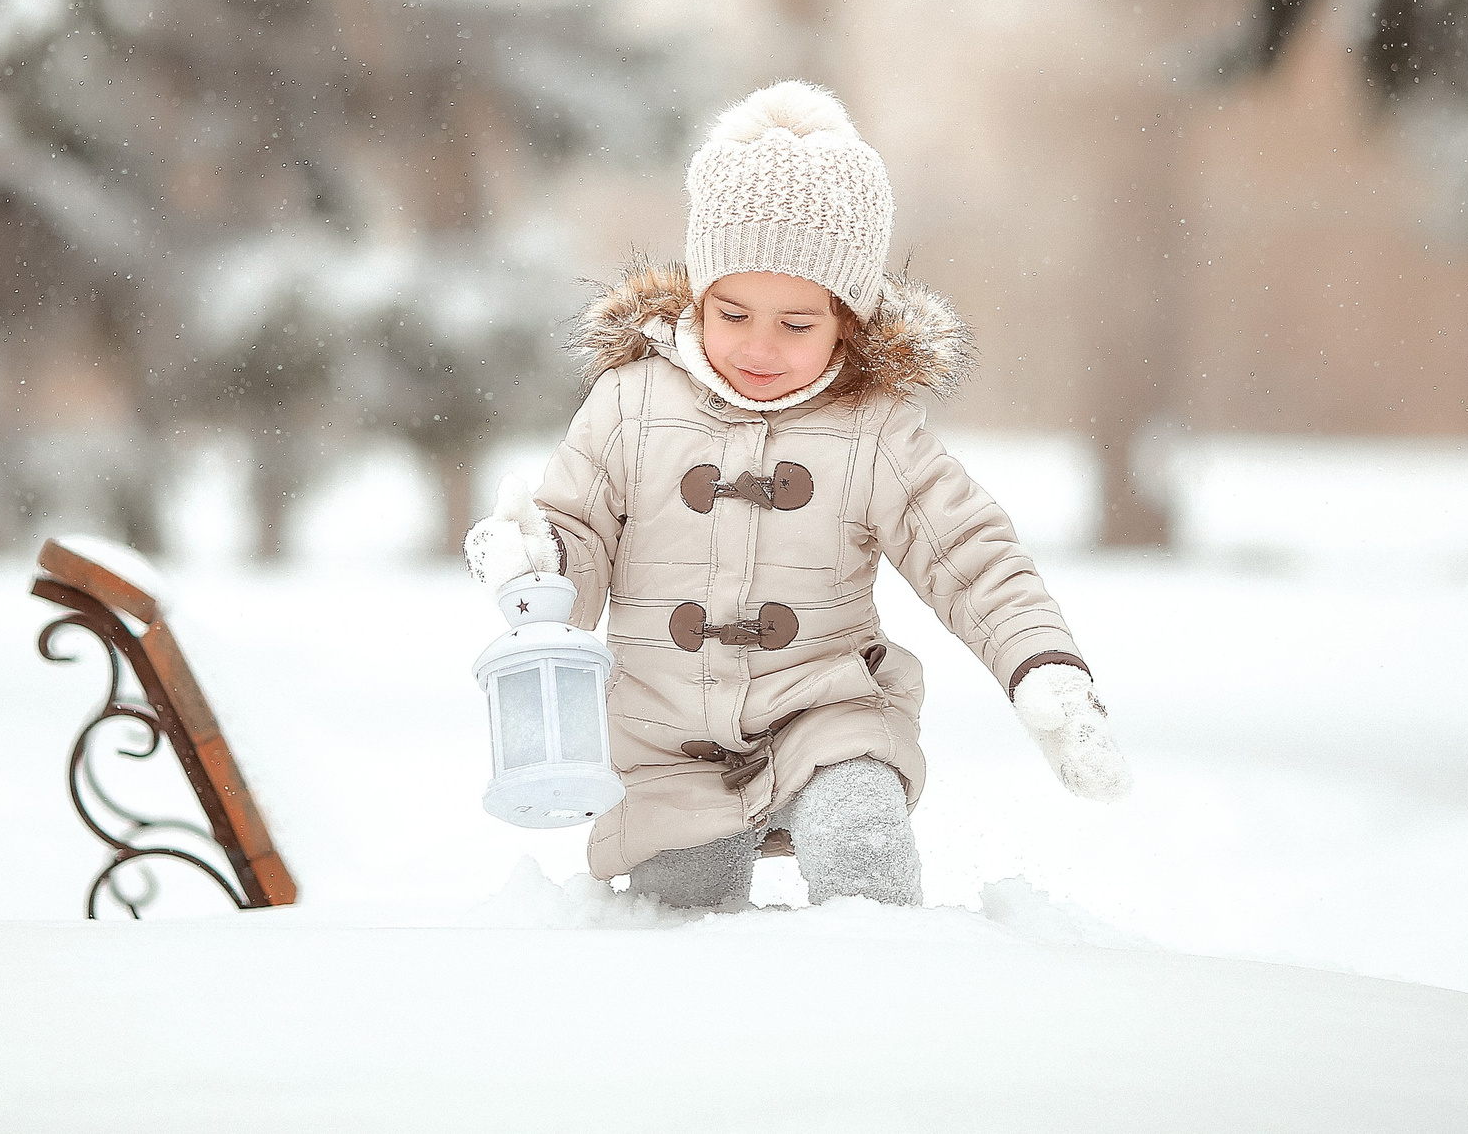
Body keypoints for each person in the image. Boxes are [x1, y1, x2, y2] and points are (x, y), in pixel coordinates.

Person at [464, 81, 1131, 909]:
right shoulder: (631, 404)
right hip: (667, 739)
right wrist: (541, 558)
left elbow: (971, 554)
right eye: (734, 312)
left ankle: (880, 992)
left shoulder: (874, 429)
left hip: (827, 714)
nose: (759, 346)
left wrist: (1044, 668)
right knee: (681, 911)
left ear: (846, 321)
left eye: (796, 324)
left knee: (863, 843)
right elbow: (578, 530)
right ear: (700, 294)